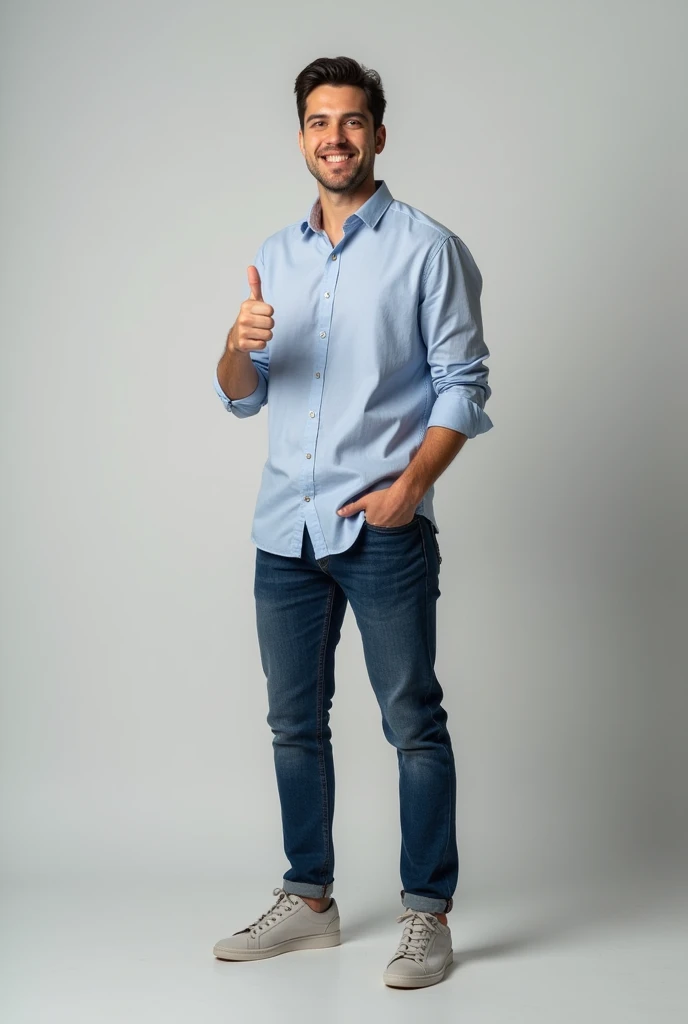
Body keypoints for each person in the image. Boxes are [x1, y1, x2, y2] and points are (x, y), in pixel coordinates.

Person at [211, 55, 493, 989]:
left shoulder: (427, 249)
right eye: (318, 121)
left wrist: (410, 487)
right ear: (301, 136)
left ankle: (427, 915)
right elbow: (243, 398)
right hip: (282, 532)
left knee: (413, 720)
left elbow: (464, 385)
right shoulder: (277, 252)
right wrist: (234, 347)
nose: (335, 137)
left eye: (352, 120)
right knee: (294, 724)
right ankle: (311, 902)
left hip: (382, 532)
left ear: (379, 133)